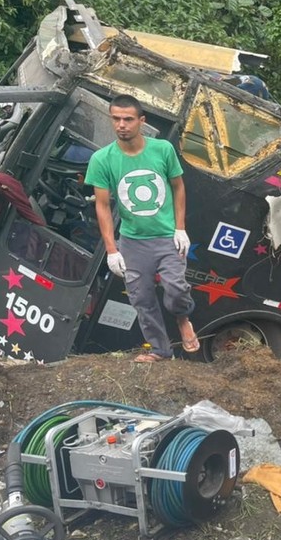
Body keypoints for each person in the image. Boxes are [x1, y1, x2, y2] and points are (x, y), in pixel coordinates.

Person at [85, 94, 200, 362]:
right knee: (142, 299)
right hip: (132, 242)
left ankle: (183, 320)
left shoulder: (162, 150)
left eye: (128, 119)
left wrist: (180, 227)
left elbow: (178, 186)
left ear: (141, 121)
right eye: (116, 119)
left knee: (176, 289)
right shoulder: (102, 159)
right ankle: (161, 351)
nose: (121, 124)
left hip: (167, 237)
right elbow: (102, 205)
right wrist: (112, 250)